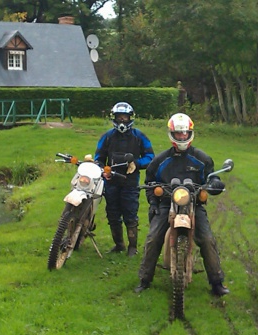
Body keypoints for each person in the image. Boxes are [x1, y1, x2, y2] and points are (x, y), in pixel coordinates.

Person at [135, 113, 229, 296]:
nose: (182, 137)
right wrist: (153, 202)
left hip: (194, 204)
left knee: (207, 238)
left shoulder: (202, 159)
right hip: (166, 203)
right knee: (153, 237)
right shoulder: (160, 161)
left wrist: (215, 183)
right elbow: (149, 182)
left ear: (190, 133)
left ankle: (217, 282)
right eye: (178, 134)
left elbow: (212, 176)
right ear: (172, 134)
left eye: (185, 133)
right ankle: (144, 279)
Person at [94, 102, 155, 256]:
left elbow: (150, 157)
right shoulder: (107, 137)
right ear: (114, 118)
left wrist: (136, 163)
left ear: (130, 118)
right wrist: (103, 171)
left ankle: (132, 248)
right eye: (119, 118)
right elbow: (98, 158)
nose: (122, 121)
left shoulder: (139, 136)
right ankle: (119, 244)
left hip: (130, 181)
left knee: (130, 213)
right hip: (111, 181)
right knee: (112, 213)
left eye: (125, 118)